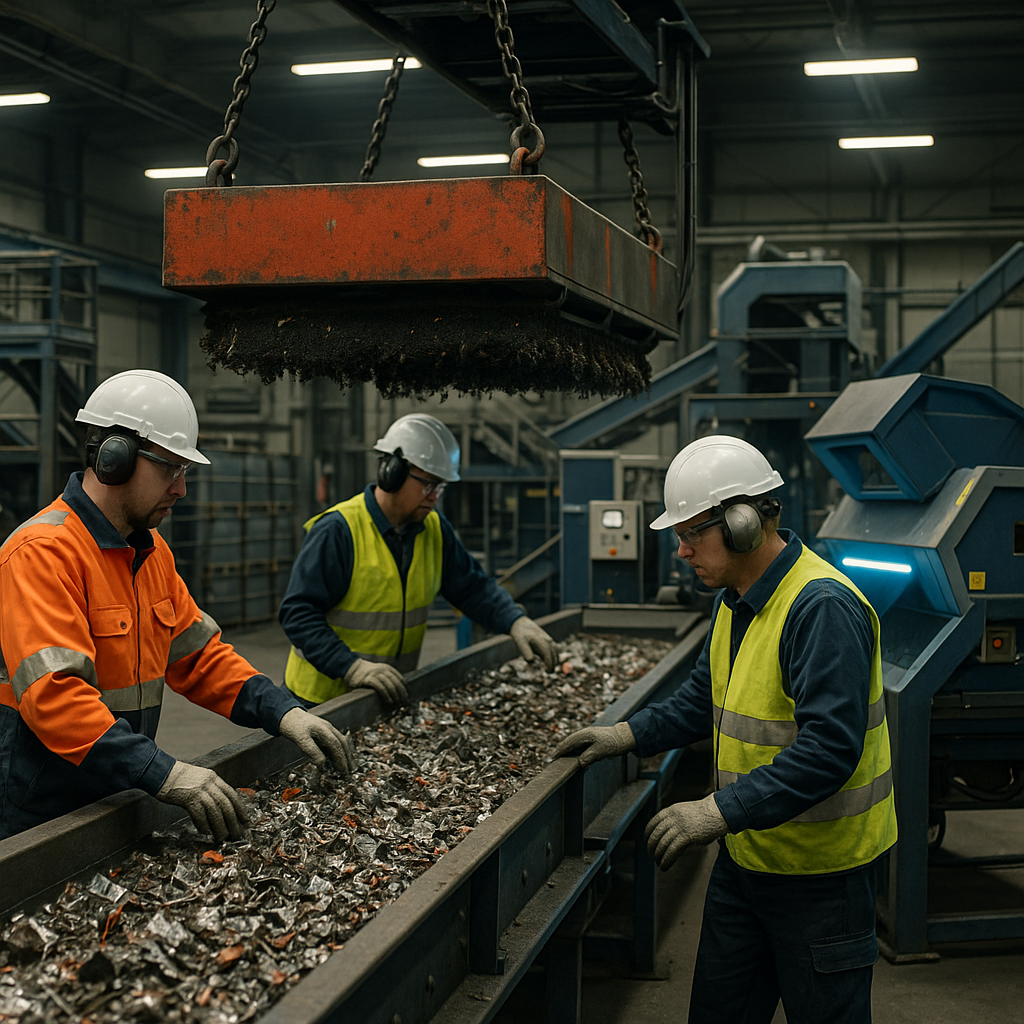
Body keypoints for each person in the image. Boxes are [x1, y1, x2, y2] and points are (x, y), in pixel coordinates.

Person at [554, 435, 897, 1024]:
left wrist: (713, 812)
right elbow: (699, 702)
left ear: (743, 524)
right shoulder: (736, 602)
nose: (680, 552)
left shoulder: (821, 609)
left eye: (690, 534)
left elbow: (829, 752)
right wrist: (625, 736)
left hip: (822, 879)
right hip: (747, 862)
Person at [0, 369, 354, 844]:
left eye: (184, 471)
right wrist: (165, 772)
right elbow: (56, 698)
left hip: (114, 793)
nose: (181, 489)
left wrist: (283, 712)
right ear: (114, 459)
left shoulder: (149, 552)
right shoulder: (43, 552)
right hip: (37, 815)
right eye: (170, 468)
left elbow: (198, 656)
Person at [280, 412, 557, 706]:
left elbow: (472, 588)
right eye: (427, 485)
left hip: (384, 698)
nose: (434, 497)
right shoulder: (339, 530)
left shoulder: (434, 529)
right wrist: (351, 667)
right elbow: (298, 613)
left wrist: (515, 621)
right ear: (392, 472)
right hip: (317, 703)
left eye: (440, 487)